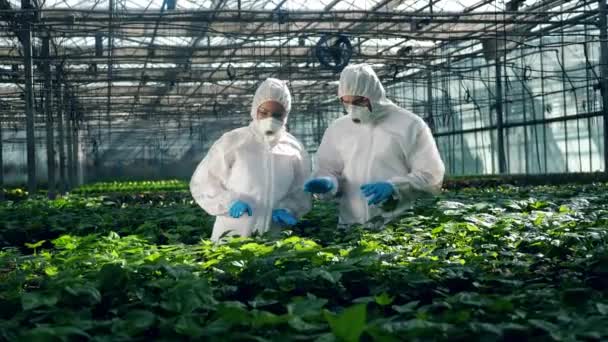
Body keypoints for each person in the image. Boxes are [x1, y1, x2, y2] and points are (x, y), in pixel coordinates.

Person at [304, 64, 445, 229]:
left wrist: (395, 187)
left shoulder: (409, 125)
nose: (353, 109)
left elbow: (431, 175)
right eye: (346, 102)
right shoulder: (338, 129)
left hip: (398, 227)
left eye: (359, 101)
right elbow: (328, 168)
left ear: (374, 94)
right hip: (351, 227)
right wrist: (328, 182)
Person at [190, 78, 312, 241]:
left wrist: (289, 209)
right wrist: (230, 202)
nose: (270, 118)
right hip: (232, 231)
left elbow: (301, 188)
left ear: (286, 115)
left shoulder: (294, 148)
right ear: (255, 110)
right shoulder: (234, 141)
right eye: (264, 112)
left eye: (277, 114)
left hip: (274, 234)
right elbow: (204, 181)